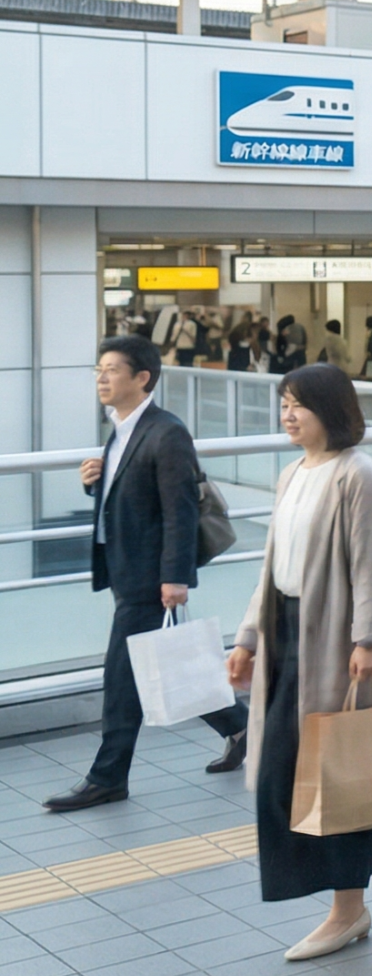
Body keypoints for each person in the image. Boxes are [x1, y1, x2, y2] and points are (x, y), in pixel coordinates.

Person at [224, 364, 372, 962]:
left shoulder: (356, 474)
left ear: (331, 410)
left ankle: (348, 911)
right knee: (286, 774)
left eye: (299, 404)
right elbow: (271, 568)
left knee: (336, 772)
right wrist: (247, 639)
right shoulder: (292, 473)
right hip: (286, 633)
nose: (288, 415)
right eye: (284, 403)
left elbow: (370, 564)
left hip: (338, 642)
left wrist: (368, 640)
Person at [44, 336, 251, 813]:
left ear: (142, 378)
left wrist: (175, 578)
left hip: (149, 578)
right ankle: (241, 727)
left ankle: (107, 778)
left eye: (112, 370)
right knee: (173, 661)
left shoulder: (166, 431)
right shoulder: (121, 428)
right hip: (126, 570)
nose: (101, 378)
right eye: (98, 369)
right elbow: (134, 494)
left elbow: (180, 510)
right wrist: (94, 481)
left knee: (121, 678)